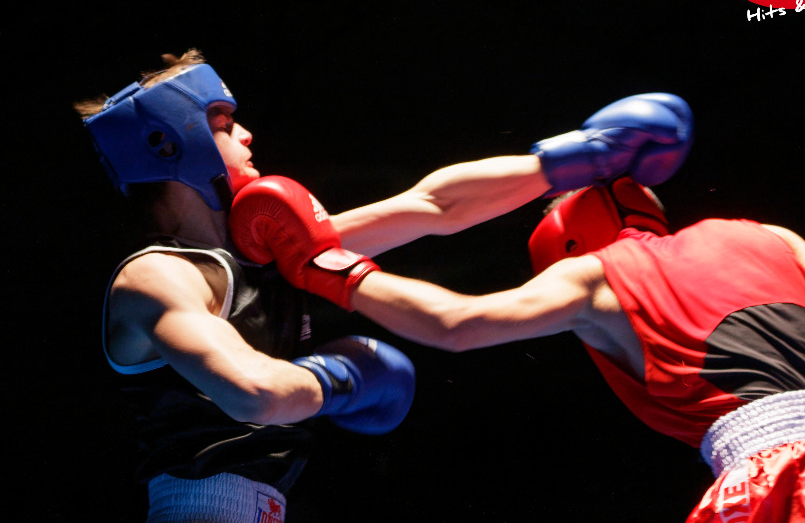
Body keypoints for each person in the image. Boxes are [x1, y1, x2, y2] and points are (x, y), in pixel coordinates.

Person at [75, 48, 691, 522]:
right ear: (169, 142)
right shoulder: (155, 276)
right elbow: (255, 393)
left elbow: (433, 206)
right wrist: (340, 376)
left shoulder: (264, 252)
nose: (247, 135)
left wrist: (580, 157)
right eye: (224, 123)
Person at [228, 125, 805, 521]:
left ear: (564, 241)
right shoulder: (768, 237)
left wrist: (331, 270)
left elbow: (455, 322)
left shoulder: (593, 275)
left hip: (780, 479)